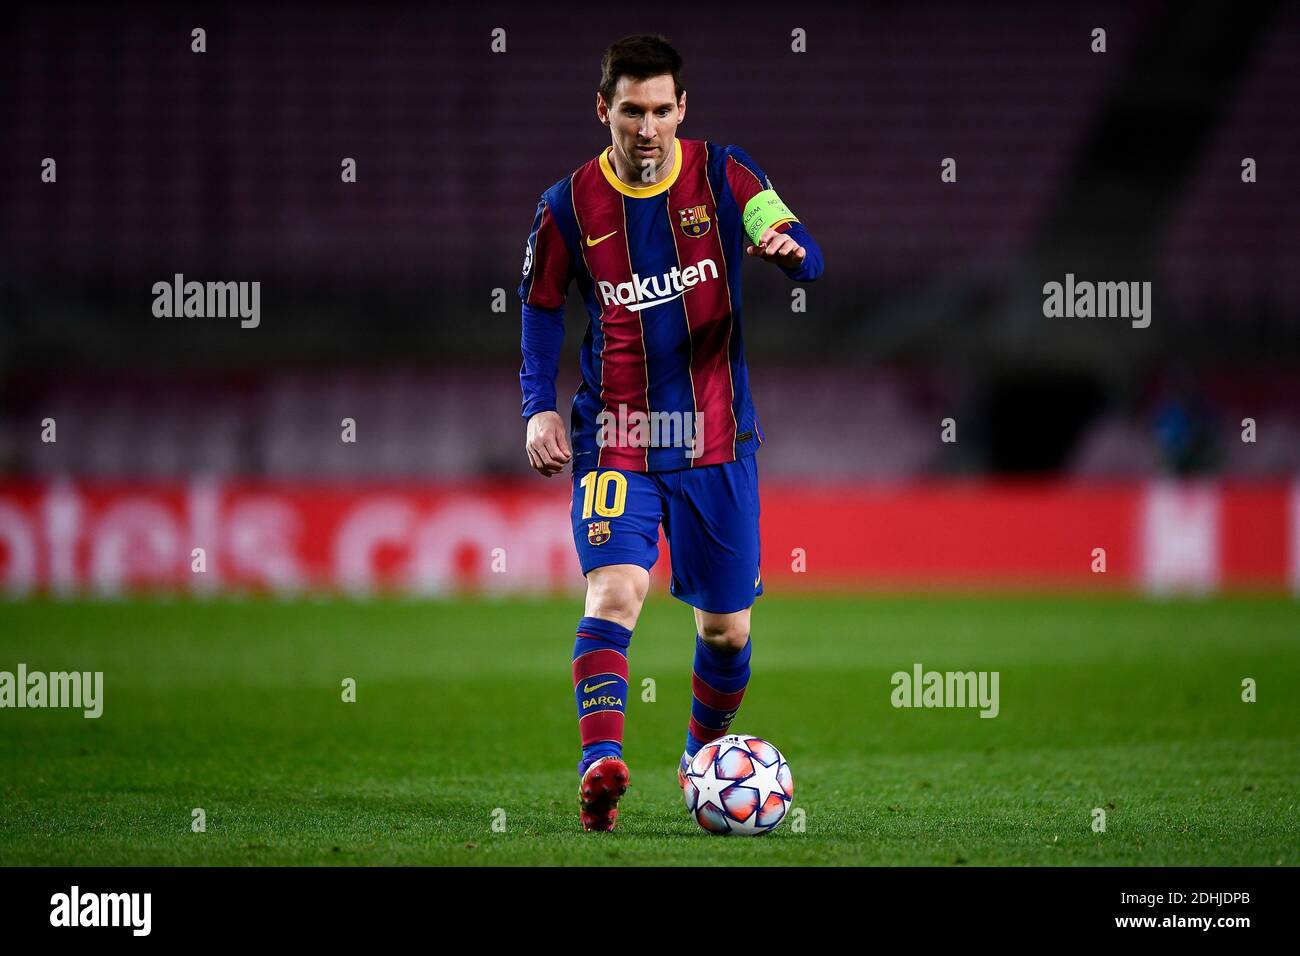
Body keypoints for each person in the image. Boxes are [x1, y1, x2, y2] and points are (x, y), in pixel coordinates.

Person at [517, 34, 823, 831]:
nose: (646, 128)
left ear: (681, 109)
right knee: (615, 590)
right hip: (616, 433)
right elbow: (542, 306)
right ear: (603, 110)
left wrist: (789, 254)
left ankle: (698, 759)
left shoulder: (728, 174)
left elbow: (800, 241)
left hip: (717, 442)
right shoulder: (566, 205)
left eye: (661, 111)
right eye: (631, 111)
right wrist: (538, 406)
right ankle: (599, 766)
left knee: (726, 632)